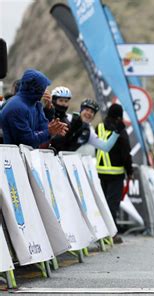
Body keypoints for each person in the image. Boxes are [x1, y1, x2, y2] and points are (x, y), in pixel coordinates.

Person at [0, 69, 67, 148]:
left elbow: (43, 128)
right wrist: (49, 132)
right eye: (43, 88)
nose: (45, 91)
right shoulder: (16, 108)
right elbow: (26, 142)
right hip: (12, 158)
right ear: (34, 89)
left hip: (28, 156)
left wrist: (53, 128)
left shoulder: (36, 104)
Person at [96, 104, 133, 244]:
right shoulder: (120, 130)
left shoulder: (98, 127)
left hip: (100, 172)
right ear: (119, 116)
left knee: (103, 203)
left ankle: (102, 232)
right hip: (116, 173)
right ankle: (111, 234)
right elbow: (126, 153)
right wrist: (129, 172)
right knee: (112, 204)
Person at [50, 98, 121, 153]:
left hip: (63, 162)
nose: (89, 113)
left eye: (92, 112)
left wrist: (116, 133)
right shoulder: (68, 118)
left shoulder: (89, 131)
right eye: (86, 109)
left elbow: (106, 147)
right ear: (81, 110)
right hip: (48, 154)